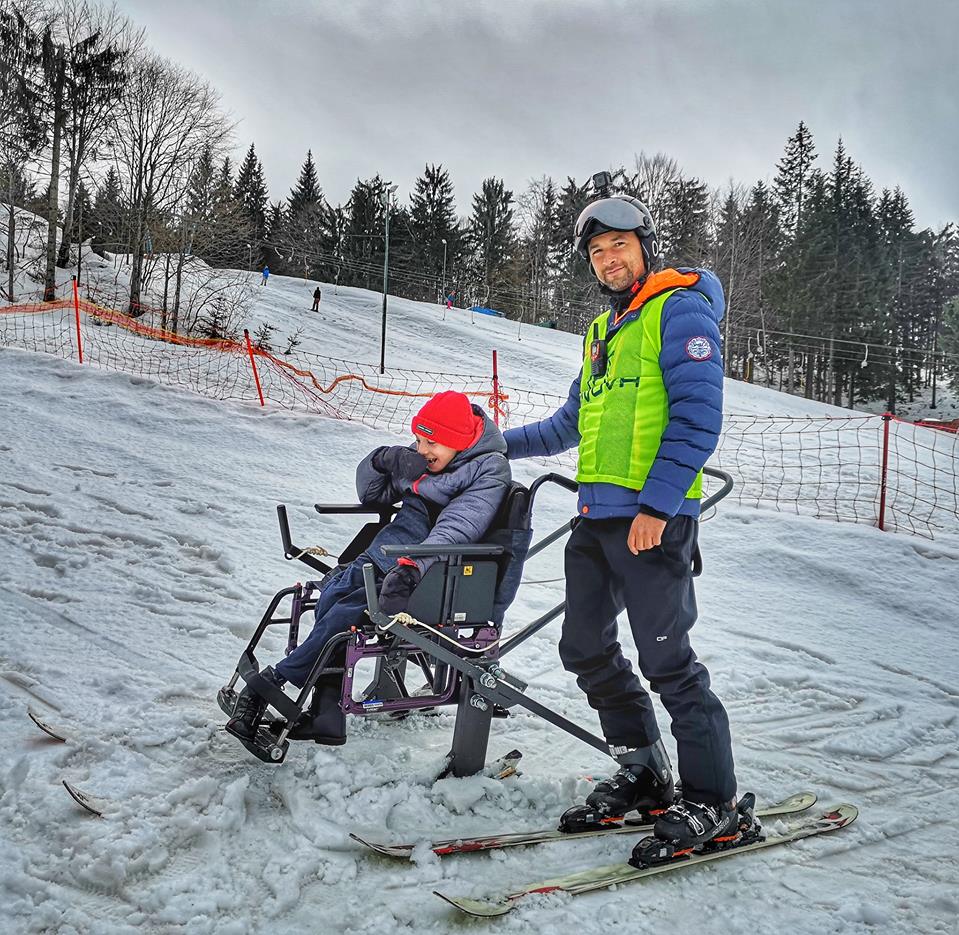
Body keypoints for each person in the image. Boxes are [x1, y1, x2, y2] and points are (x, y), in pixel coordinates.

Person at [503, 191, 738, 851]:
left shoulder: (680, 311)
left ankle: (712, 799)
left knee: (668, 659)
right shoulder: (603, 331)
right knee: (583, 646)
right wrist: (495, 443)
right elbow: (567, 424)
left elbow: (698, 420)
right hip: (596, 519)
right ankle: (643, 771)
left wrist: (658, 505)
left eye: (619, 246)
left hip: (651, 521)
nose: (607, 259)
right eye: (597, 251)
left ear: (645, 246)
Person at [226, 390, 511, 750]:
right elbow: (374, 495)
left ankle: (273, 681)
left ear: (458, 441)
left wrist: (409, 568)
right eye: (419, 439)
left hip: (426, 572)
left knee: (342, 617)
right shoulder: (428, 460)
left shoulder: (488, 470)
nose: (421, 449)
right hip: (383, 554)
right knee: (331, 597)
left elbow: (456, 527)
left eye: (431, 443)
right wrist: (381, 461)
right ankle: (327, 711)